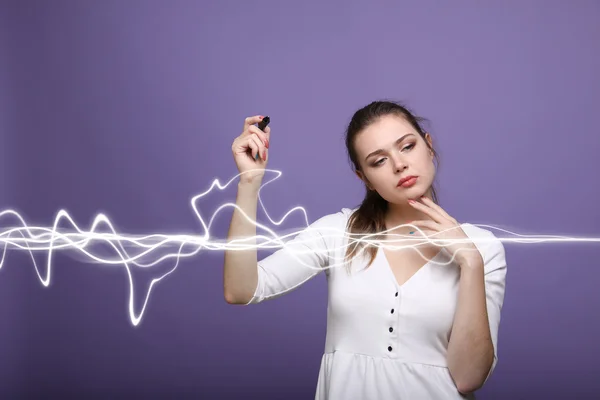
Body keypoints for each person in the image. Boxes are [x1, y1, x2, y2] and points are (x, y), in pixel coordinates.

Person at [223, 100, 507, 399]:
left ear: (429, 146)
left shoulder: (482, 249)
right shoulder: (337, 233)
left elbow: (468, 378)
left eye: (407, 146)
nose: (399, 164)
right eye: (378, 161)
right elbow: (241, 290)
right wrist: (249, 182)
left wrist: (470, 262)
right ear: (365, 178)